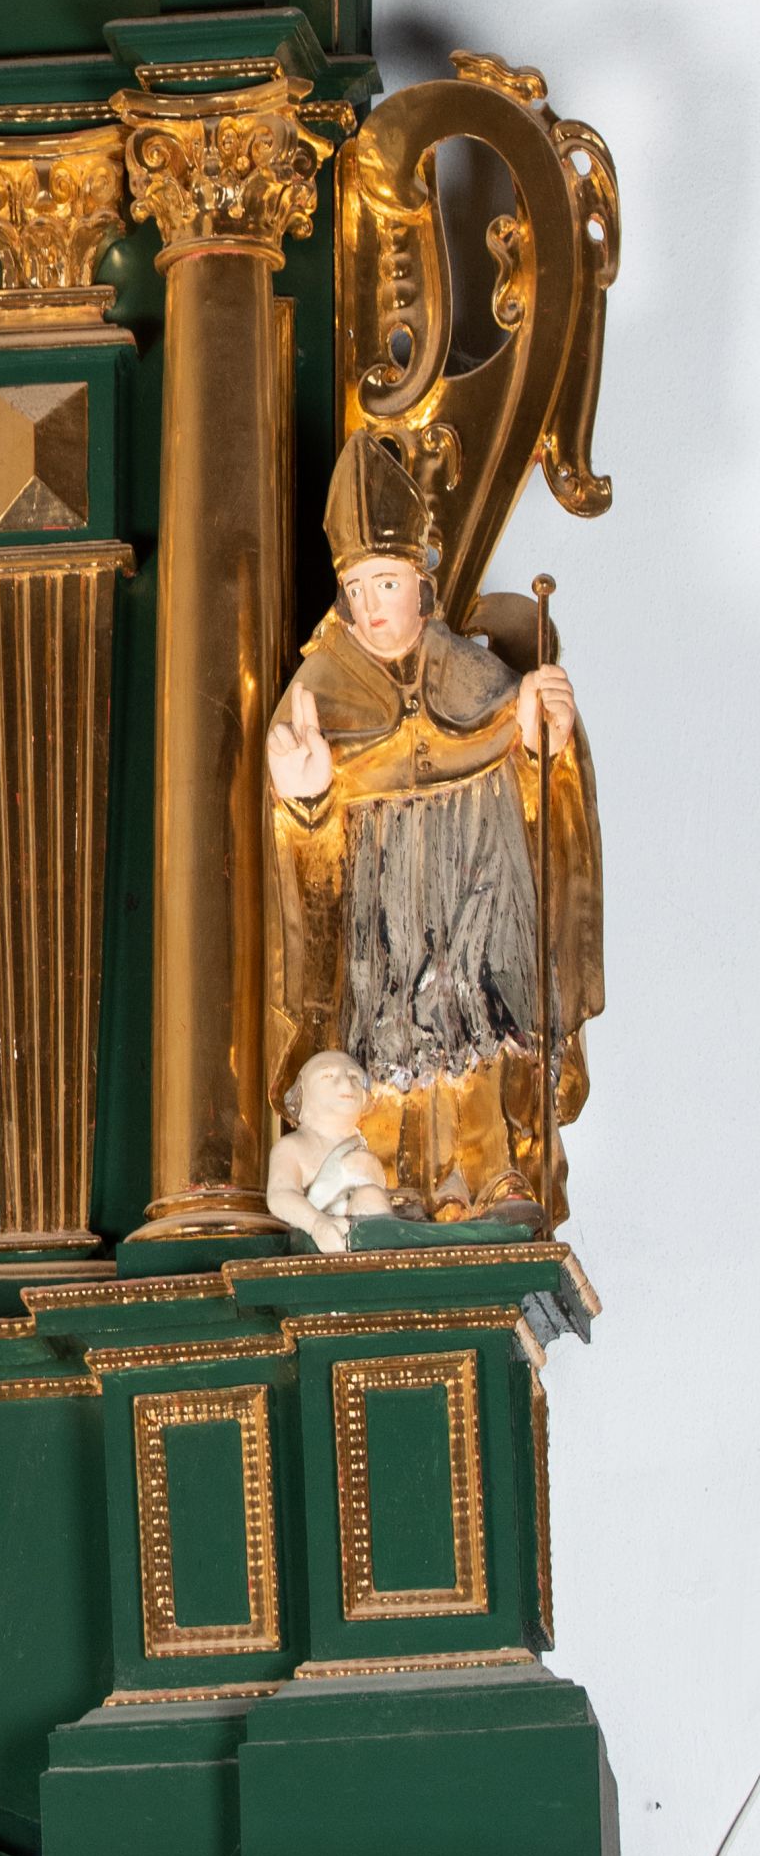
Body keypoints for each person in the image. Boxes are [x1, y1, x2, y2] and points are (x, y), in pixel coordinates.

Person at [263, 432, 601, 1220]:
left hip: (472, 893)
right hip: (381, 917)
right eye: (356, 588)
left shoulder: (472, 674)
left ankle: (490, 1175)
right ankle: (388, 1186)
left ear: (423, 582)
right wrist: (306, 800)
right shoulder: (323, 687)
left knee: (473, 1016)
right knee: (387, 1036)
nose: (371, 607)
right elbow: (302, 849)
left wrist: (542, 741)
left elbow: (530, 777)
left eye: (386, 582)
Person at [266, 1052, 403, 1255]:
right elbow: (280, 1195)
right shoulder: (292, 1146)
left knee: (370, 1196)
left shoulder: (364, 1146)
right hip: (318, 1248)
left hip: (369, 1246)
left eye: (354, 1076)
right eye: (328, 1076)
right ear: (302, 1093)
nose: (346, 1083)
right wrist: (317, 1223)